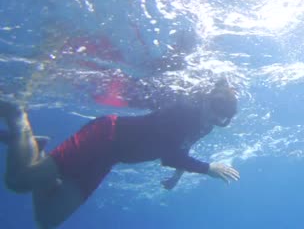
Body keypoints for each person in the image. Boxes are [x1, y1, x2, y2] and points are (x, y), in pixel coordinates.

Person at [0, 77, 240, 228]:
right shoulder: (183, 111)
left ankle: (32, 148)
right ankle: (17, 115)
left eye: (223, 117)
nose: (215, 118)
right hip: (103, 137)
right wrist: (208, 169)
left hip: (109, 157)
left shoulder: (204, 124)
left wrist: (178, 175)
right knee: (18, 181)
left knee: (48, 219)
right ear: (207, 100)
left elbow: (183, 146)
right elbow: (170, 155)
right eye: (215, 110)